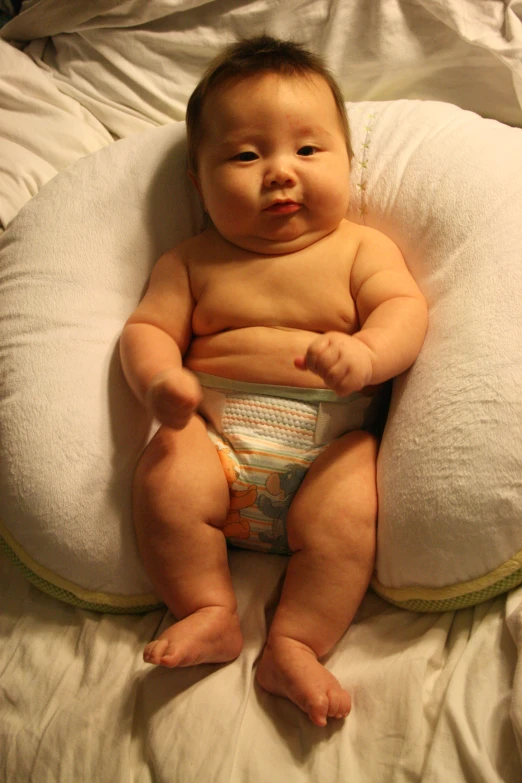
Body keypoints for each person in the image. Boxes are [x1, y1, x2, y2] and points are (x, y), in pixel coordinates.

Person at [120, 35, 428, 728]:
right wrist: (160, 382)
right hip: (215, 440)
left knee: (352, 507)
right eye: (246, 154)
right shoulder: (192, 260)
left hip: (327, 449)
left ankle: (293, 643)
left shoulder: (359, 248)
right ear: (197, 182)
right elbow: (145, 330)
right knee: (165, 472)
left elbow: (404, 311)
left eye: (308, 150)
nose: (280, 173)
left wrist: (370, 355)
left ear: (348, 163)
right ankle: (209, 609)